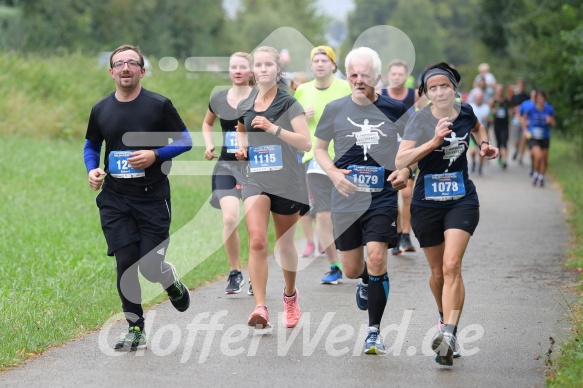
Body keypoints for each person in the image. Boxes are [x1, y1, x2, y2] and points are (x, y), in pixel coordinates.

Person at [84, 44, 192, 351]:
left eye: (132, 63)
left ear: (142, 71)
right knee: (126, 262)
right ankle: (135, 326)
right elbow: (91, 145)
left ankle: (168, 279)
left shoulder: (158, 105)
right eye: (120, 64)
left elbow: (186, 140)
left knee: (148, 267)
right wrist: (92, 170)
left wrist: (155, 155)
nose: (126, 68)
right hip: (115, 198)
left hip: (153, 199)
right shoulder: (101, 109)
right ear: (112, 72)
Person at [395, 62, 499, 366]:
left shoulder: (465, 111)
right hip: (426, 202)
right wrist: (433, 142)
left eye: (445, 86)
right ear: (426, 93)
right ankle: (443, 320)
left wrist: (484, 145)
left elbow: (478, 127)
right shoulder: (419, 120)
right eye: (433, 88)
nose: (440, 92)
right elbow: (401, 158)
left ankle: (450, 335)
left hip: (461, 200)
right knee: (438, 272)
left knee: (452, 264)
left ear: (455, 88)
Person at [314, 47, 411, 354]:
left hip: (381, 196)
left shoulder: (396, 110)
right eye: (353, 74)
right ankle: (366, 278)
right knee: (354, 269)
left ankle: (373, 331)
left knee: (378, 257)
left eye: (364, 75)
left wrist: (408, 168)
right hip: (345, 199)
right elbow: (318, 148)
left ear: (377, 78)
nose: (358, 80)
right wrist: (332, 172)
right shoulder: (334, 109)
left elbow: (415, 147)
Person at [235, 46, 311, 329]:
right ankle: (260, 307)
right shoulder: (245, 104)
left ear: (278, 70)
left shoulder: (288, 103)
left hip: (287, 181)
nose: (264, 69)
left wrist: (272, 128)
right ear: (253, 70)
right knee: (257, 240)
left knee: (285, 245)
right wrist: (242, 150)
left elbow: (305, 143)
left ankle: (290, 296)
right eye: (259, 65)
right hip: (255, 178)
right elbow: (241, 130)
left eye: (269, 65)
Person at [294, 45, 352, 284]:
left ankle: (358, 261)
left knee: (347, 215)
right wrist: (300, 118)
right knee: (323, 215)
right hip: (315, 160)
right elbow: (290, 124)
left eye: (324, 60)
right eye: (316, 61)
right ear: (311, 65)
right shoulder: (302, 91)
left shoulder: (346, 87)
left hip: (346, 159)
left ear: (333, 65)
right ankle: (334, 265)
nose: (319, 64)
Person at [202, 52, 253, 295]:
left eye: (243, 67)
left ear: (251, 71)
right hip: (226, 166)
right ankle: (235, 272)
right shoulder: (220, 98)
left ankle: (257, 274)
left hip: (255, 168)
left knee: (256, 226)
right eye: (234, 67)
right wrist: (208, 144)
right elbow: (207, 122)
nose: (238, 71)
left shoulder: (261, 98)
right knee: (230, 218)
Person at [378, 59, 419, 255]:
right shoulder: (380, 95)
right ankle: (394, 234)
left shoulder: (415, 95)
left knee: (407, 194)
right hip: (387, 151)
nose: (396, 77)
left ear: (406, 76)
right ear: (388, 76)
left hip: (408, 148)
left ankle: (405, 235)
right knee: (391, 194)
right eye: (393, 74)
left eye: (400, 74)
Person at [520, 90, 555, 187]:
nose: (541, 99)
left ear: (544, 98)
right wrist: (525, 130)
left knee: (544, 159)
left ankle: (540, 177)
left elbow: (553, 123)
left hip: (545, 136)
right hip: (533, 136)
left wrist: (550, 121)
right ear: (536, 99)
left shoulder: (549, 109)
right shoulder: (530, 108)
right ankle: (535, 173)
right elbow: (523, 119)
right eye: (539, 97)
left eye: (542, 97)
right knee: (538, 156)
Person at [469, 90, 490, 175]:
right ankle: (473, 162)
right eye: (477, 98)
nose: (478, 100)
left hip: (482, 133)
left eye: (480, 98)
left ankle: (480, 168)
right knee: (473, 151)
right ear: (475, 99)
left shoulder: (486, 107)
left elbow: (492, 119)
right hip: (471, 132)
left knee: (482, 152)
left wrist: (487, 119)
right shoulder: (471, 106)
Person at [491, 84, 511, 169]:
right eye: (498, 90)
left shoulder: (507, 101)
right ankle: (499, 157)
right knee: (499, 143)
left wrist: (511, 113)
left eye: (501, 90)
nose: (500, 92)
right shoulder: (494, 101)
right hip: (497, 125)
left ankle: (504, 161)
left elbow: (511, 110)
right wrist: (493, 111)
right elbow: (490, 112)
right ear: (496, 91)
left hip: (505, 125)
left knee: (504, 143)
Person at [510, 78, 530, 164]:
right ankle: (516, 149)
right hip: (516, 121)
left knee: (524, 139)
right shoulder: (514, 97)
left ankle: (521, 157)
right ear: (517, 86)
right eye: (519, 85)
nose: (521, 87)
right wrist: (516, 109)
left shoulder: (527, 97)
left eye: (522, 86)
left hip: (525, 122)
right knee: (517, 141)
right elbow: (511, 111)